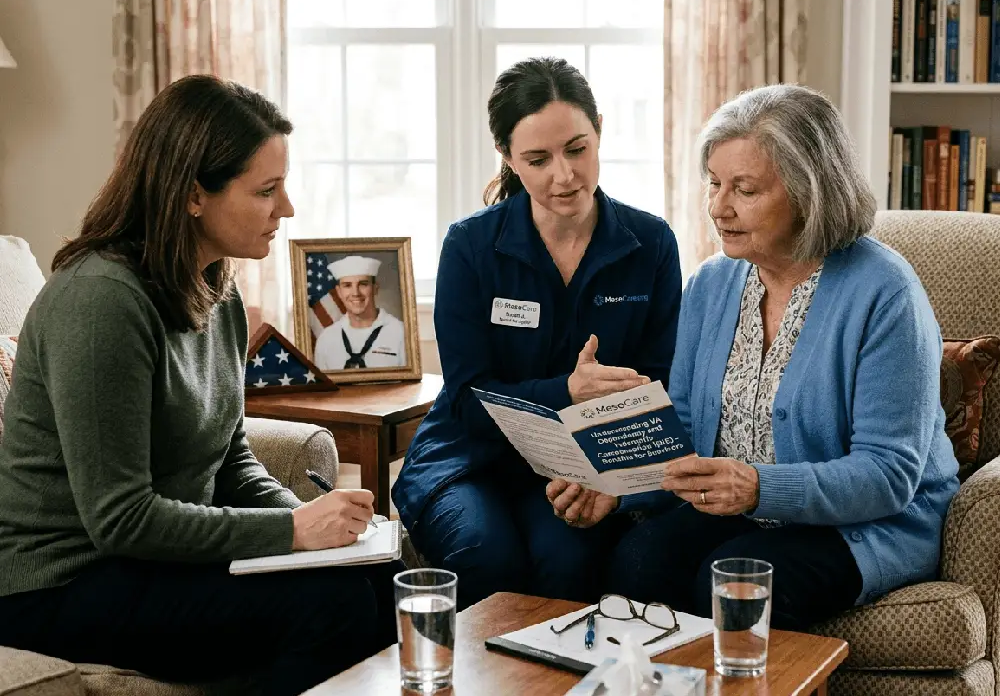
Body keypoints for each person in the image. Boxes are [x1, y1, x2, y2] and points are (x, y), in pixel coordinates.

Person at [0, 75, 399, 696]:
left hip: (150, 566)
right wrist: (292, 535)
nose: (286, 209)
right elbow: (122, 520)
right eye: (266, 190)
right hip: (64, 582)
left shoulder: (218, 286)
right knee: (333, 606)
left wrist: (318, 528)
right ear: (192, 196)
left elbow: (231, 457)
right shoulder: (100, 302)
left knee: (380, 575)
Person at [548, 84, 960, 630]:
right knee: (637, 559)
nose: (719, 207)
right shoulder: (711, 284)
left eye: (744, 189)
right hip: (742, 512)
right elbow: (690, 430)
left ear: (810, 191)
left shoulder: (886, 295)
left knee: (734, 581)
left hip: (864, 524)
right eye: (714, 184)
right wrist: (616, 488)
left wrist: (760, 487)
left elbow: (888, 475)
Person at [391, 57, 683, 609]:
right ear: (506, 157)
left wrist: (609, 478)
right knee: (486, 555)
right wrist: (566, 392)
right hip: (469, 459)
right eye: (537, 159)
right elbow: (470, 398)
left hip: (586, 462)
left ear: (600, 129)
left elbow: (663, 387)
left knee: (569, 562)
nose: (564, 175)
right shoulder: (470, 247)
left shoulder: (653, 244)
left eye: (577, 148)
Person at [313, 255, 407, 370]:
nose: (355, 293)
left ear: (375, 288)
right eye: (347, 285)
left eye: (363, 284)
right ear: (338, 292)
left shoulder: (401, 333)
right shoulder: (326, 339)